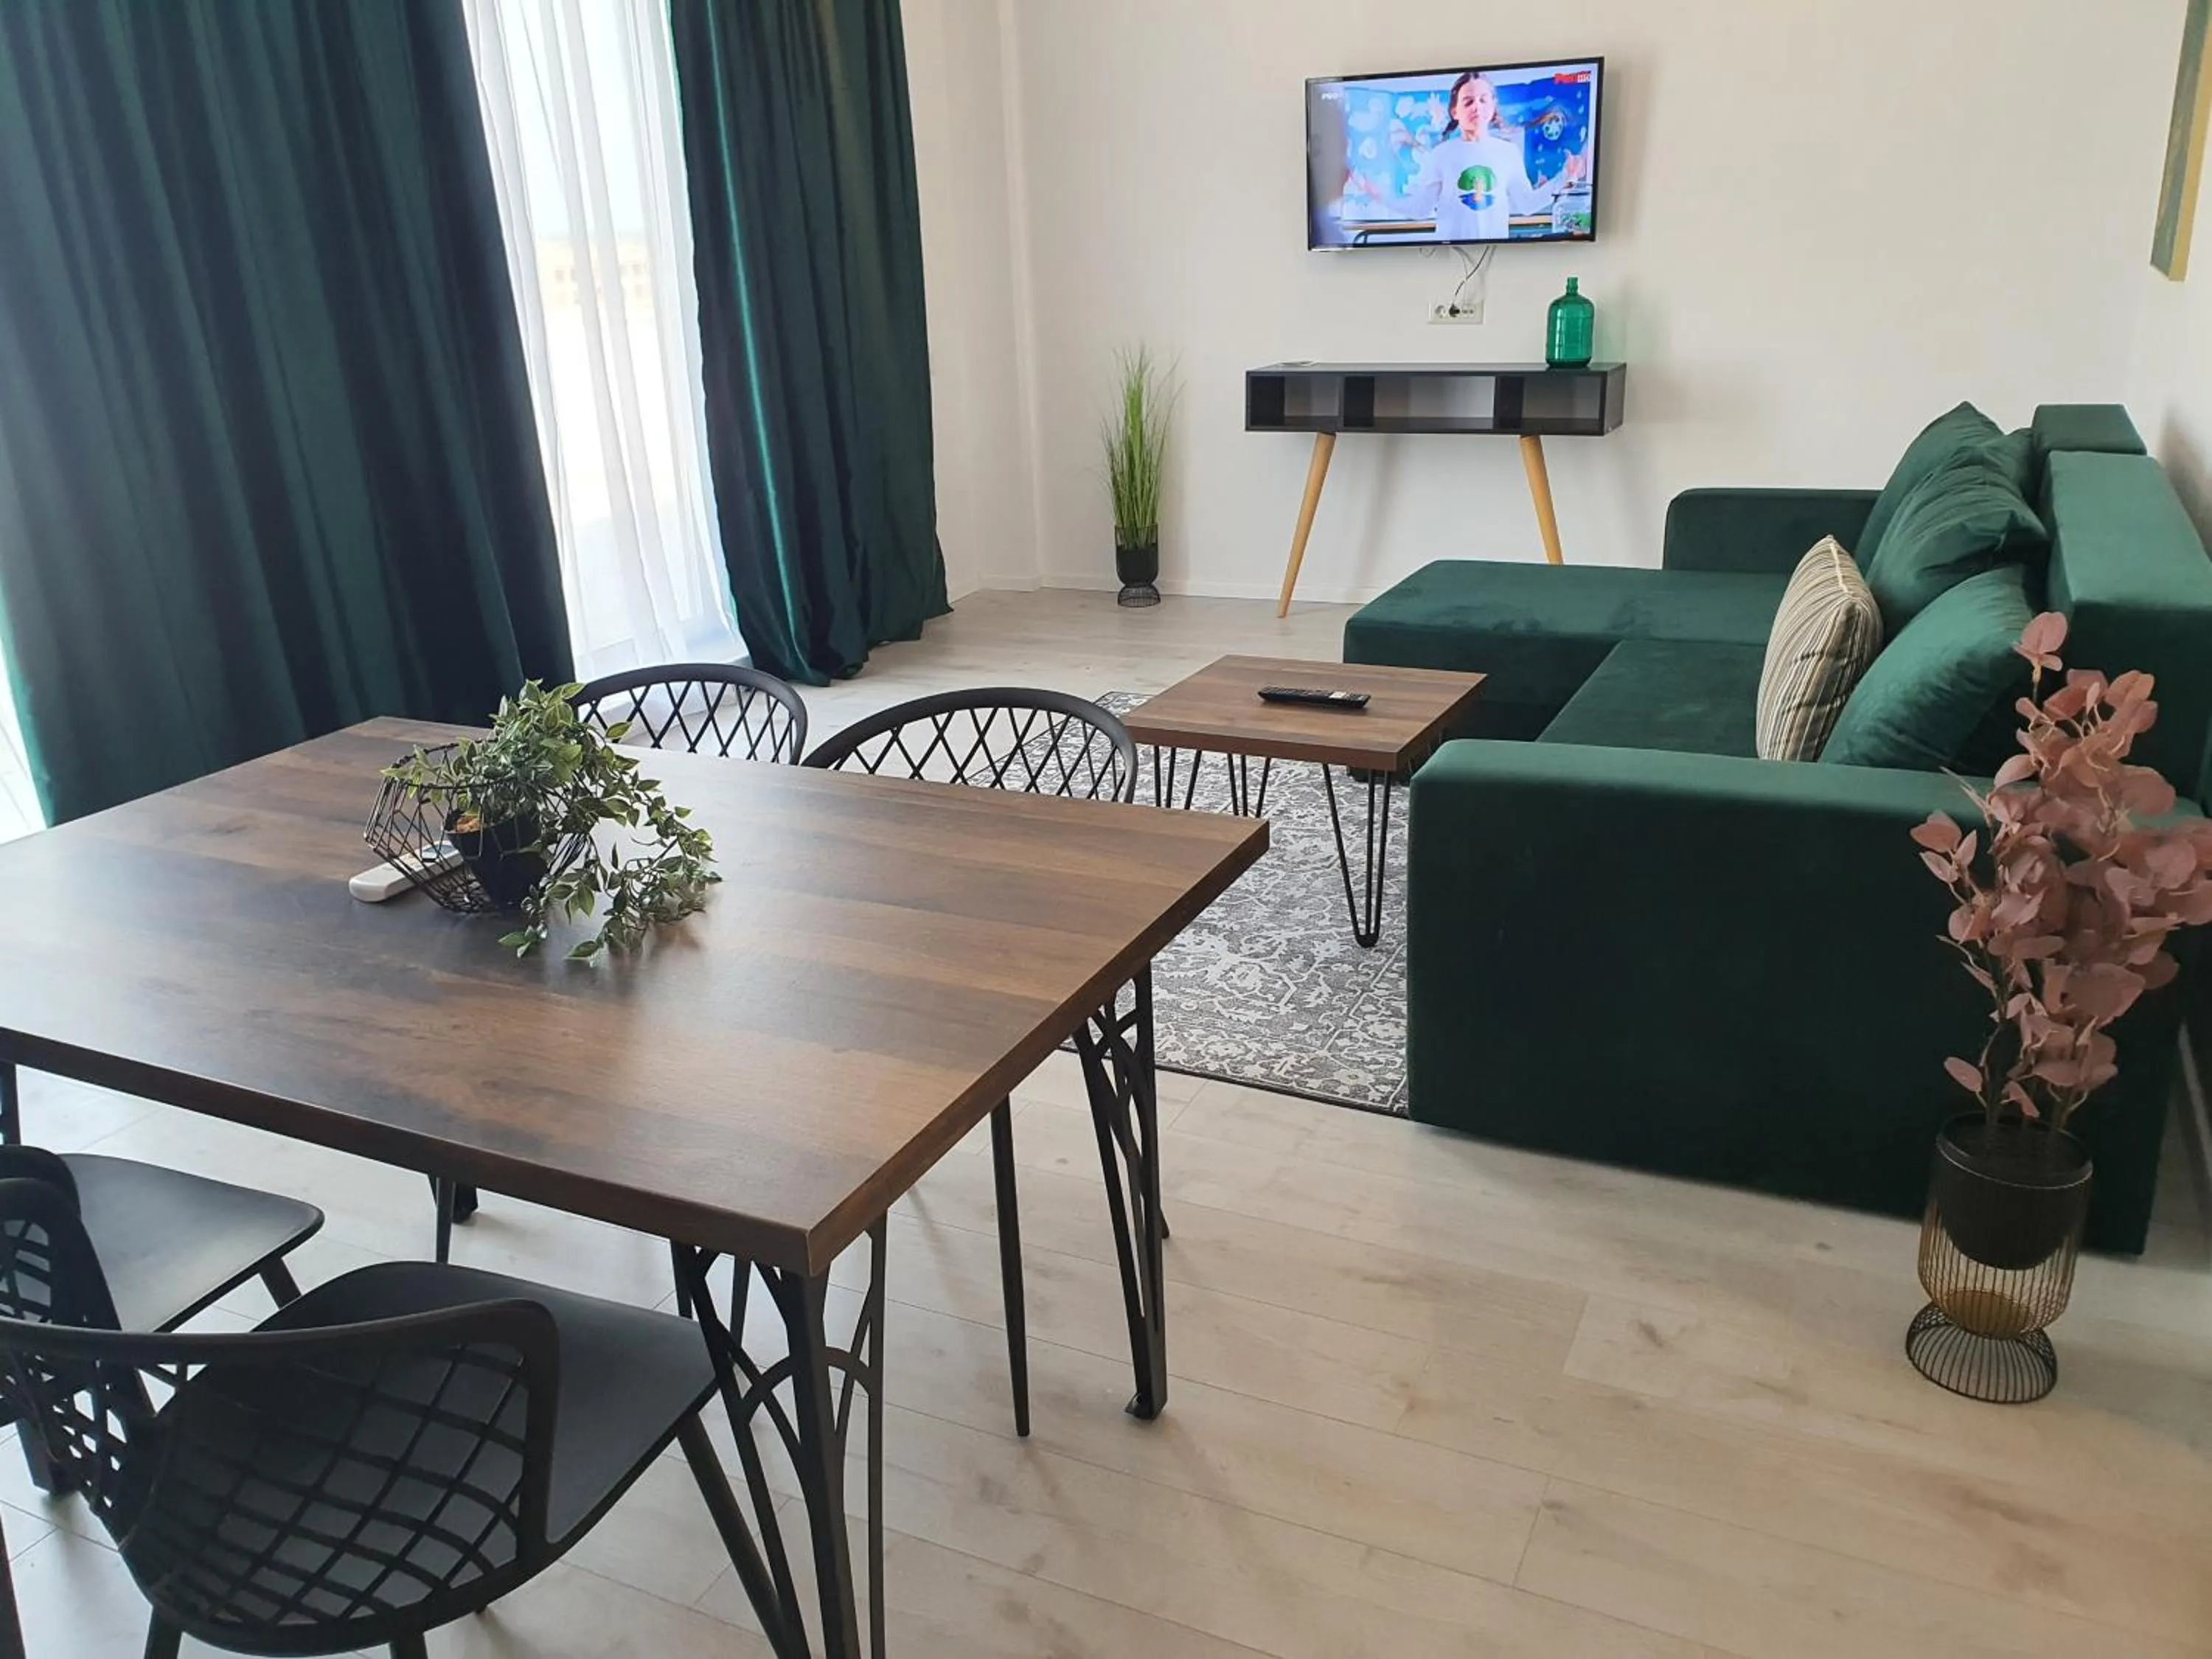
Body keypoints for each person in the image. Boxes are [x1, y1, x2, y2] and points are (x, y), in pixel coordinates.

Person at [1349, 72, 1585, 242]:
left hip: (1496, 257)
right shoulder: (1441, 154)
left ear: (1493, 106)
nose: (1477, 107)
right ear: (1455, 111)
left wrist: (1565, 177)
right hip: (1447, 259)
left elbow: (1526, 204)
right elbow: (1420, 208)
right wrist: (1380, 196)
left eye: (1483, 100)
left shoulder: (1507, 152)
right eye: (1468, 101)